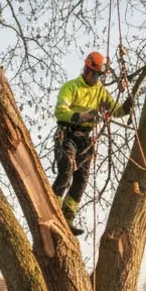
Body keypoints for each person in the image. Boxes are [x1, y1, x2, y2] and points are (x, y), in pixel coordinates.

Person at [52, 52, 133, 235]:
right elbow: (60, 110)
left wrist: (126, 107)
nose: (96, 79)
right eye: (95, 74)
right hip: (68, 134)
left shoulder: (100, 92)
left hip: (85, 140)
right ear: (87, 69)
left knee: (81, 179)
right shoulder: (71, 87)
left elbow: (115, 110)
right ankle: (52, 209)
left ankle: (67, 217)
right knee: (65, 171)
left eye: (99, 76)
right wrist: (80, 116)